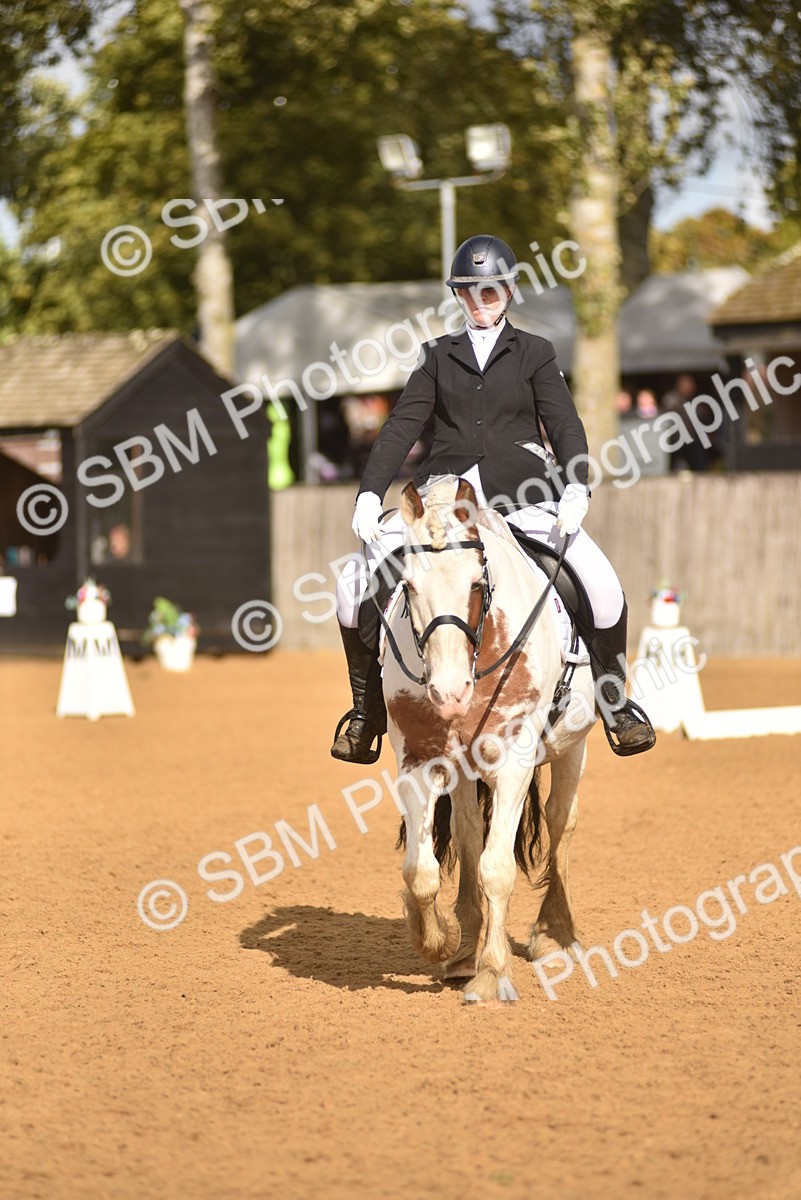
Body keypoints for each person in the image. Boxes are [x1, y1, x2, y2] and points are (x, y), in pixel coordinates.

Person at [330, 234, 656, 764]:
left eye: (490, 292)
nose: (480, 304)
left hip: (523, 497)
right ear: (458, 296)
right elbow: (399, 428)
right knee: (351, 587)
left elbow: (565, 425)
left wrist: (576, 483)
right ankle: (365, 713)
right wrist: (370, 494)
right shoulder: (438, 356)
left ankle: (616, 704)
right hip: (444, 502)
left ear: (508, 291)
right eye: (469, 294)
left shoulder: (535, 352)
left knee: (602, 583)